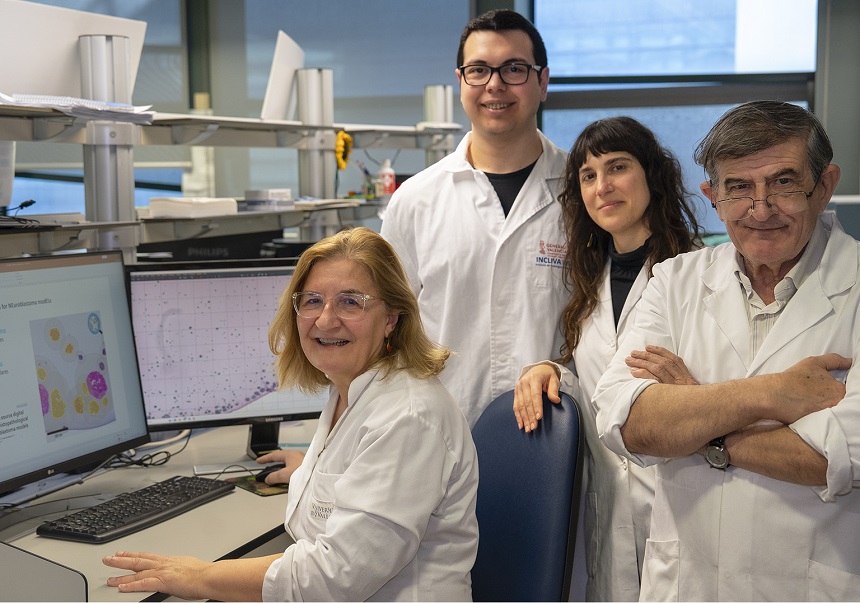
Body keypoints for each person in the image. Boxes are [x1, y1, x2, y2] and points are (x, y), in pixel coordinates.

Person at [103, 227, 479, 602]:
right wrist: (311, 472)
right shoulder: (350, 389)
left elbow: (334, 577)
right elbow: (364, 485)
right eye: (313, 300)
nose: (326, 320)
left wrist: (201, 576)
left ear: (392, 318)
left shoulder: (409, 417)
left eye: (351, 302)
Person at [592, 100, 860, 601]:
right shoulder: (675, 281)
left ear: (824, 187)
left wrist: (697, 417)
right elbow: (624, 421)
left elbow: (837, 456)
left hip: (813, 583)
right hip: (691, 581)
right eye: (739, 187)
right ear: (712, 196)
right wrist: (772, 394)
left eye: (783, 182)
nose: (760, 209)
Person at [512, 116, 701, 601]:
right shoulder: (588, 285)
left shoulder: (698, 275)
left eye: (617, 167)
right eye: (589, 175)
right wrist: (550, 370)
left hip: (681, 499)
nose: (603, 186)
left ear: (652, 176)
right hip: (607, 502)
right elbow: (595, 382)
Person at [380, 9, 569, 426]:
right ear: (460, 80)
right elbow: (384, 333)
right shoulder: (414, 201)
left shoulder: (584, 195)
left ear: (543, 82)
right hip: (439, 435)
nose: (494, 85)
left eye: (514, 69)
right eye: (478, 70)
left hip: (559, 440)